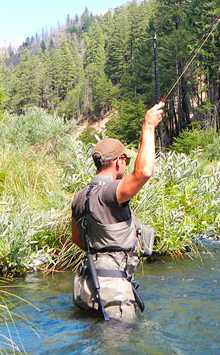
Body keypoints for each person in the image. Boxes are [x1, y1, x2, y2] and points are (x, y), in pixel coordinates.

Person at [71, 101, 164, 320]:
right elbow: (143, 173)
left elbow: (78, 240)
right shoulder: (111, 193)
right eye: (126, 159)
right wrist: (148, 126)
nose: (127, 164)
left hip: (86, 287)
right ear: (119, 161)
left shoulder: (80, 196)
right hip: (112, 294)